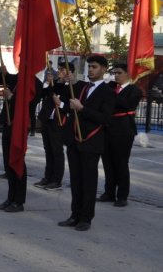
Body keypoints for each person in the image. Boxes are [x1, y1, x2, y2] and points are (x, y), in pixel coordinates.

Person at [58, 55, 115, 232]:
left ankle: (86, 218)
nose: (91, 69)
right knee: (75, 180)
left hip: (92, 141)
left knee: (88, 181)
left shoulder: (108, 92)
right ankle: (74, 215)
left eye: (95, 67)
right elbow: (69, 104)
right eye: (89, 66)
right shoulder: (83, 87)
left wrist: (82, 109)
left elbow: (105, 118)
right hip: (75, 140)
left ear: (104, 70)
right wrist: (67, 84)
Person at [98, 63, 142, 207]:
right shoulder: (111, 88)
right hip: (108, 128)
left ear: (128, 74)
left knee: (121, 163)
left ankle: (122, 195)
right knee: (107, 162)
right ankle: (109, 192)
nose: (116, 75)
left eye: (119, 73)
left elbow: (127, 104)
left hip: (123, 130)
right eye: (115, 73)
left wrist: (112, 93)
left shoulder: (134, 90)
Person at [35, 63, 74, 191]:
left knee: (57, 151)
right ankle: (48, 177)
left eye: (62, 70)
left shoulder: (72, 87)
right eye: (60, 69)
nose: (60, 72)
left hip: (59, 121)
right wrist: (47, 82)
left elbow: (71, 104)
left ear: (70, 72)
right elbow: (43, 94)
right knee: (48, 150)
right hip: (47, 120)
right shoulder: (55, 84)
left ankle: (57, 180)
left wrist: (61, 103)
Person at [0, 72, 27, 213]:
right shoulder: (18, 79)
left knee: (17, 162)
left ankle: (18, 201)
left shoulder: (32, 82)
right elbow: (3, 77)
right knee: (8, 163)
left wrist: (12, 97)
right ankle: (10, 198)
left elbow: (28, 103)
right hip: (8, 124)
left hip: (19, 127)